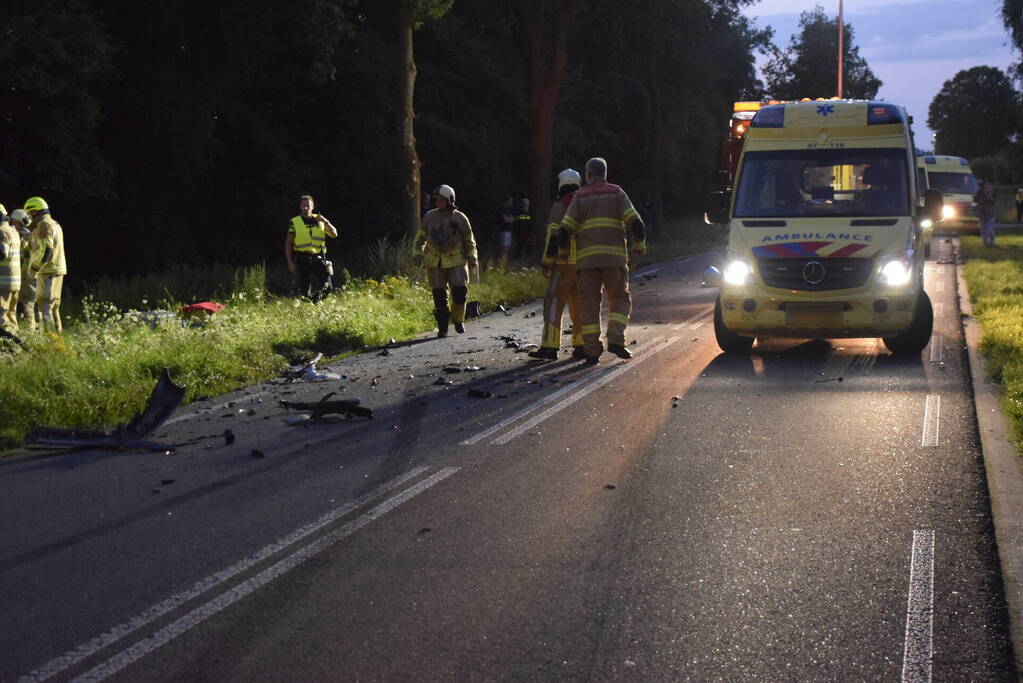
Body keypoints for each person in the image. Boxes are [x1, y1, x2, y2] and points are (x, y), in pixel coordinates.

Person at [556, 157, 646, 365]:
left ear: (588, 174)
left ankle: (592, 351)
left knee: (588, 305)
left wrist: (562, 252)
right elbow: (635, 221)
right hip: (613, 259)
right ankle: (615, 339)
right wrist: (638, 245)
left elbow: (564, 229)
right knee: (620, 299)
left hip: (587, 262)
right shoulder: (616, 193)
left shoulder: (579, 196)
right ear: (605, 173)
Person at [529, 169, 584, 360]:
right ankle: (581, 345)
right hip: (584, 265)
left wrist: (546, 262)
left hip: (563, 263)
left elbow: (553, 237)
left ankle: (550, 346)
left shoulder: (560, 207)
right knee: (580, 304)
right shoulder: (585, 205)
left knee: (553, 302)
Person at [415, 184, 478, 337]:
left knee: (460, 292)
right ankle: (443, 327)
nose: (438, 203)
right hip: (435, 261)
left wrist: (472, 257)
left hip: (456, 260)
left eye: (441, 200)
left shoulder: (460, 218)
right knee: (439, 295)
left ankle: (458, 320)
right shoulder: (429, 217)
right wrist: (417, 254)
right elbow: (420, 238)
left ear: (450, 200)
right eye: (436, 200)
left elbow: (470, 240)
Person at [24, 196, 66, 334]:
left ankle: (49, 343)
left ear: (35, 212)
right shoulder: (55, 223)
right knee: (54, 309)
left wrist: (34, 270)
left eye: (29, 213)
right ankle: (59, 341)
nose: (29, 217)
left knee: (45, 309)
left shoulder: (43, 225)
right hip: (57, 269)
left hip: (47, 272)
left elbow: (46, 250)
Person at [285, 194, 338, 300]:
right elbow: (288, 243)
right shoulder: (294, 222)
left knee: (327, 287)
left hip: (318, 257)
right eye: (303, 205)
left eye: (308, 205)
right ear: (300, 207)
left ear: (312, 206)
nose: (306, 208)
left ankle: (314, 302)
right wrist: (290, 262)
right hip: (302, 258)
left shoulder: (319, 219)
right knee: (304, 292)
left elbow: (334, 234)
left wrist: (325, 221)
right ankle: (310, 306)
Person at [10, 208, 35, 330]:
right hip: (27, 275)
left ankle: (29, 335)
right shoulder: (29, 234)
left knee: (27, 307)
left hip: (25, 276)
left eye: (13, 221)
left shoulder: (23, 236)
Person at [0, 205, 21, 334]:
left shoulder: (1, 231)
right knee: (11, 316)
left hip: (3, 282)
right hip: (15, 281)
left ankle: (6, 347)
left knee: (1, 317)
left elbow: (2, 254)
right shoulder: (13, 231)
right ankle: (17, 349)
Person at [975, 179, 997, 247]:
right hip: (981, 213)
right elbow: (975, 200)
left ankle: (992, 242)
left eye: (988, 185)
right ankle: (985, 243)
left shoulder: (992, 193)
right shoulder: (980, 192)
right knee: (983, 229)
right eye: (986, 185)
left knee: (990, 229)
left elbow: (993, 201)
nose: (987, 186)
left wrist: (987, 194)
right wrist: (979, 192)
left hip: (990, 214)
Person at [496, 197, 515, 267]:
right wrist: (509, 219)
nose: (511, 203)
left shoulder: (509, 209)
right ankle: (501, 263)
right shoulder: (502, 209)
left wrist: (509, 219)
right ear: (506, 201)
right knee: (503, 247)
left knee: (507, 247)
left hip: (509, 230)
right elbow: (506, 219)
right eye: (510, 201)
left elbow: (513, 219)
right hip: (504, 230)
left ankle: (504, 263)